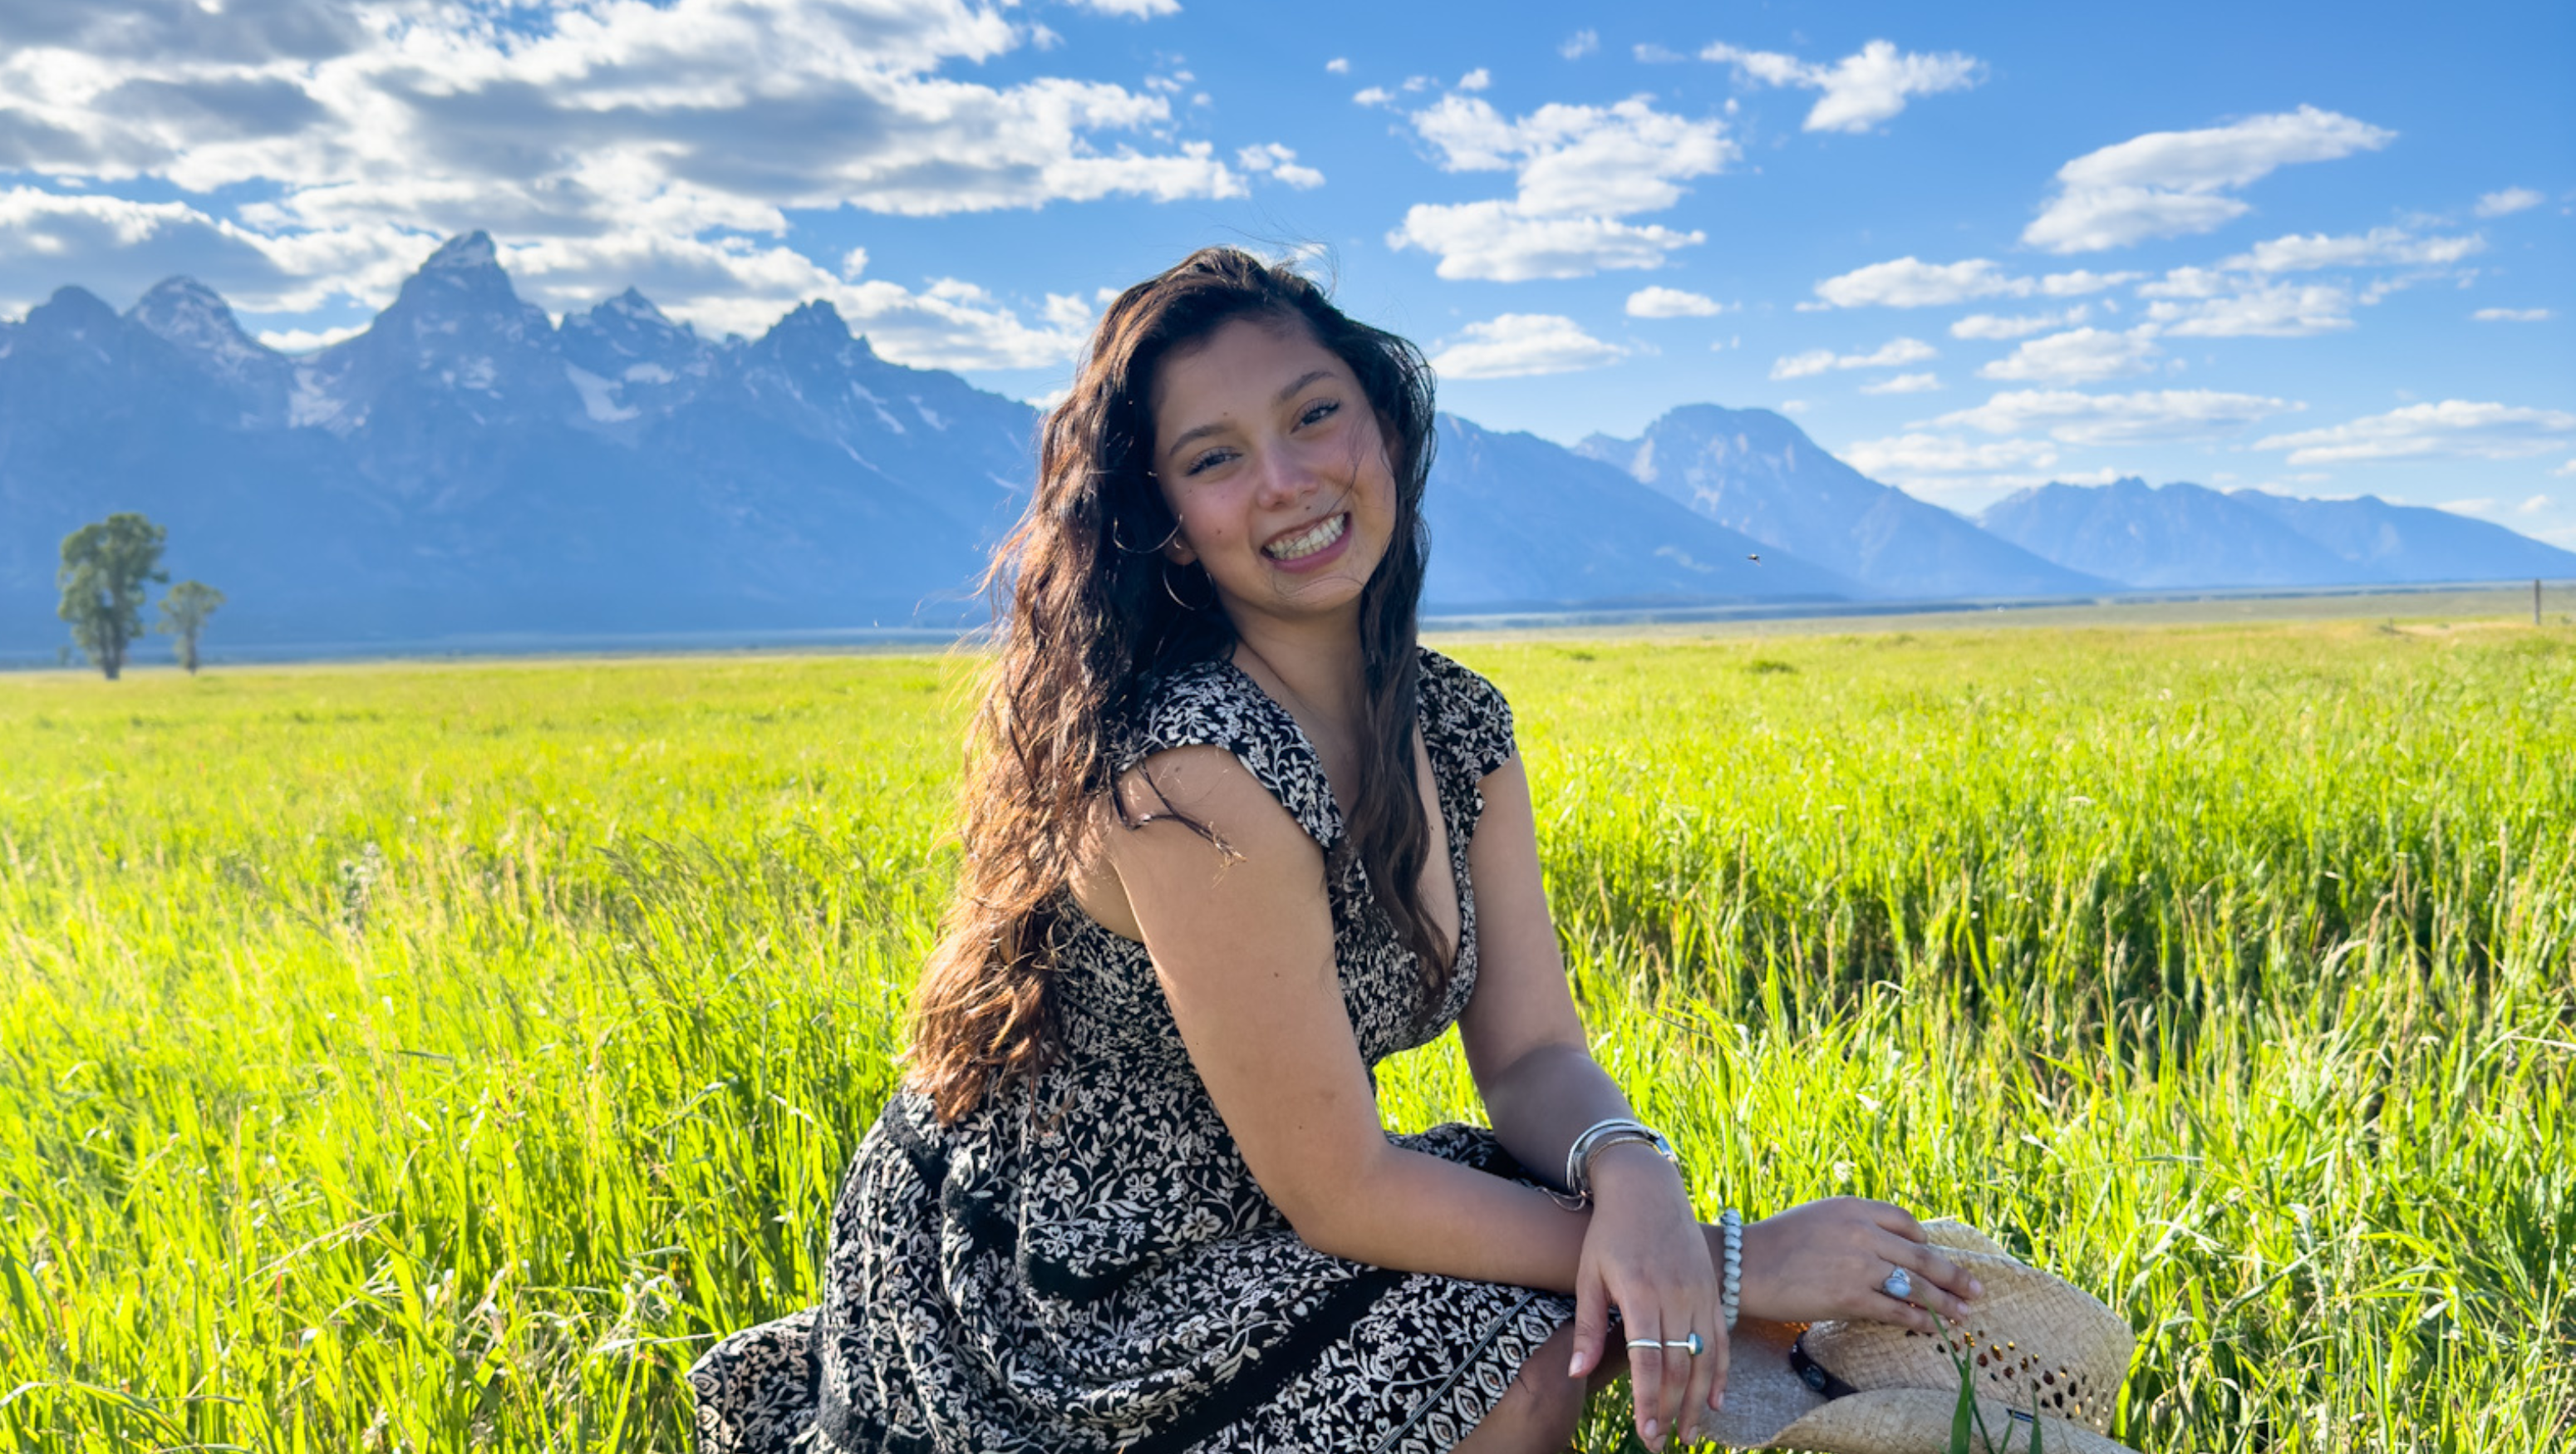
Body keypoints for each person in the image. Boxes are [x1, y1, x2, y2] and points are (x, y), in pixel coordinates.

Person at [690, 247, 1984, 1454]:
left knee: (1569, 1280)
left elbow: (1532, 1053)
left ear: (1383, 421)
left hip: (1264, 1201)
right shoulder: (1191, 767)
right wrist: (1726, 1256)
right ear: (1165, 518)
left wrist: (1634, 1173)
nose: (1288, 482)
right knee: (1531, 1345)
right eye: (1215, 457)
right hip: (1062, 1280)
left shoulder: (1459, 723)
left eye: (1314, 415)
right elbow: (1342, 1188)